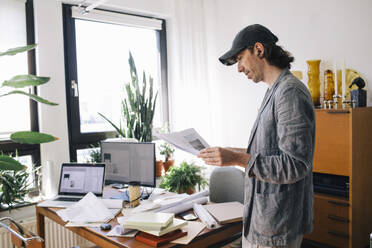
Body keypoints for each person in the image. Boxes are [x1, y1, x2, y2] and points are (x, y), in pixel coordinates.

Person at [198, 24, 315, 248]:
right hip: (263, 221)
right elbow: (268, 152)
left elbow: (295, 164)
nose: (239, 69)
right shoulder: (274, 90)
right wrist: (230, 152)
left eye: (240, 59)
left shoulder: (289, 92)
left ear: (259, 50)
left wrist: (236, 159)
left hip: (277, 227)